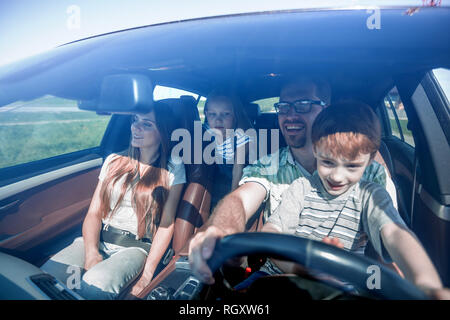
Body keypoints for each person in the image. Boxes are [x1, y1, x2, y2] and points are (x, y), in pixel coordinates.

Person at [189, 76, 398, 284]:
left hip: (345, 283)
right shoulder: (269, 165)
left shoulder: (370, 172)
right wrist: (222, 228)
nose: (290, 115)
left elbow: (389, 238)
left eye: (303, 105)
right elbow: (239, 200)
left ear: (327, 110)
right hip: (278, 278)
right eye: (284, 107)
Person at [256, 101, 446, 297]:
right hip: (284, 277)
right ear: (314, 150)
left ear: (371, 159)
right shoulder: (300, 188)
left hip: (340, 289)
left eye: (352, 166)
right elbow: (271, 233)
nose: (337, 177)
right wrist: (302, 268)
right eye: (328, 162)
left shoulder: (370, 196)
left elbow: (396, 234)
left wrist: (426, 285)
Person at [41, 101, 186, 299]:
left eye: (147, 124)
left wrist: (147, 275)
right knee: (48, 278)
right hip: (99, 239)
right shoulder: (114, 160)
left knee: (93, 288)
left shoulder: (173, 168)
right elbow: (94, 213)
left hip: (135, 247)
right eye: (135, 120)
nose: (136, 127)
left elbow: (166, 225)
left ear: (163, 131)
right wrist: (92, 252)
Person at [203, 90, 253, 211]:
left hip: (241, 178)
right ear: (206, 114)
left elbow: (238, 168)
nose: (218, 120)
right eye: (212, 114)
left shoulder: (241, 136)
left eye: (225, 114)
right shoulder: (208, 130)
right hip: (220, 175)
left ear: (234, 115)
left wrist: (232, 196)